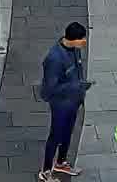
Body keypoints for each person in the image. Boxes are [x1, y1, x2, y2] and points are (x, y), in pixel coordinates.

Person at [39, 22, 93, 180]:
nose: (84, 42)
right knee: (56, 135)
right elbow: (50, 89)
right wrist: (76, 85)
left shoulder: (74, 50)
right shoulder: (55, 59)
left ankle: (61, 162)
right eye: (82, 39)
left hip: (72, 101)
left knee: (67, 133)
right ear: (73, 39)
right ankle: (46, 171)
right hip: (60, 104)